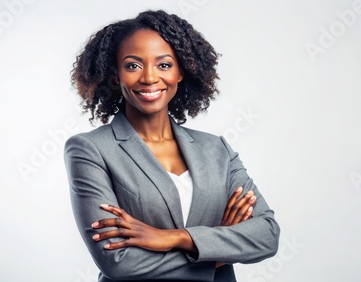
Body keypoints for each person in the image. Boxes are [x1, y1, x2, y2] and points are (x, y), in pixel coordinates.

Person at [64, 10, 280, 282]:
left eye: (164, 65)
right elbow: (117, 262)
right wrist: (218, 253)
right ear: (115, 74)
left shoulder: (216, 150)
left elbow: (267, 234)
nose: (149, 78)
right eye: (133, 66)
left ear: (181, 72)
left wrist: (174, 238)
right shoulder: (90, 149)